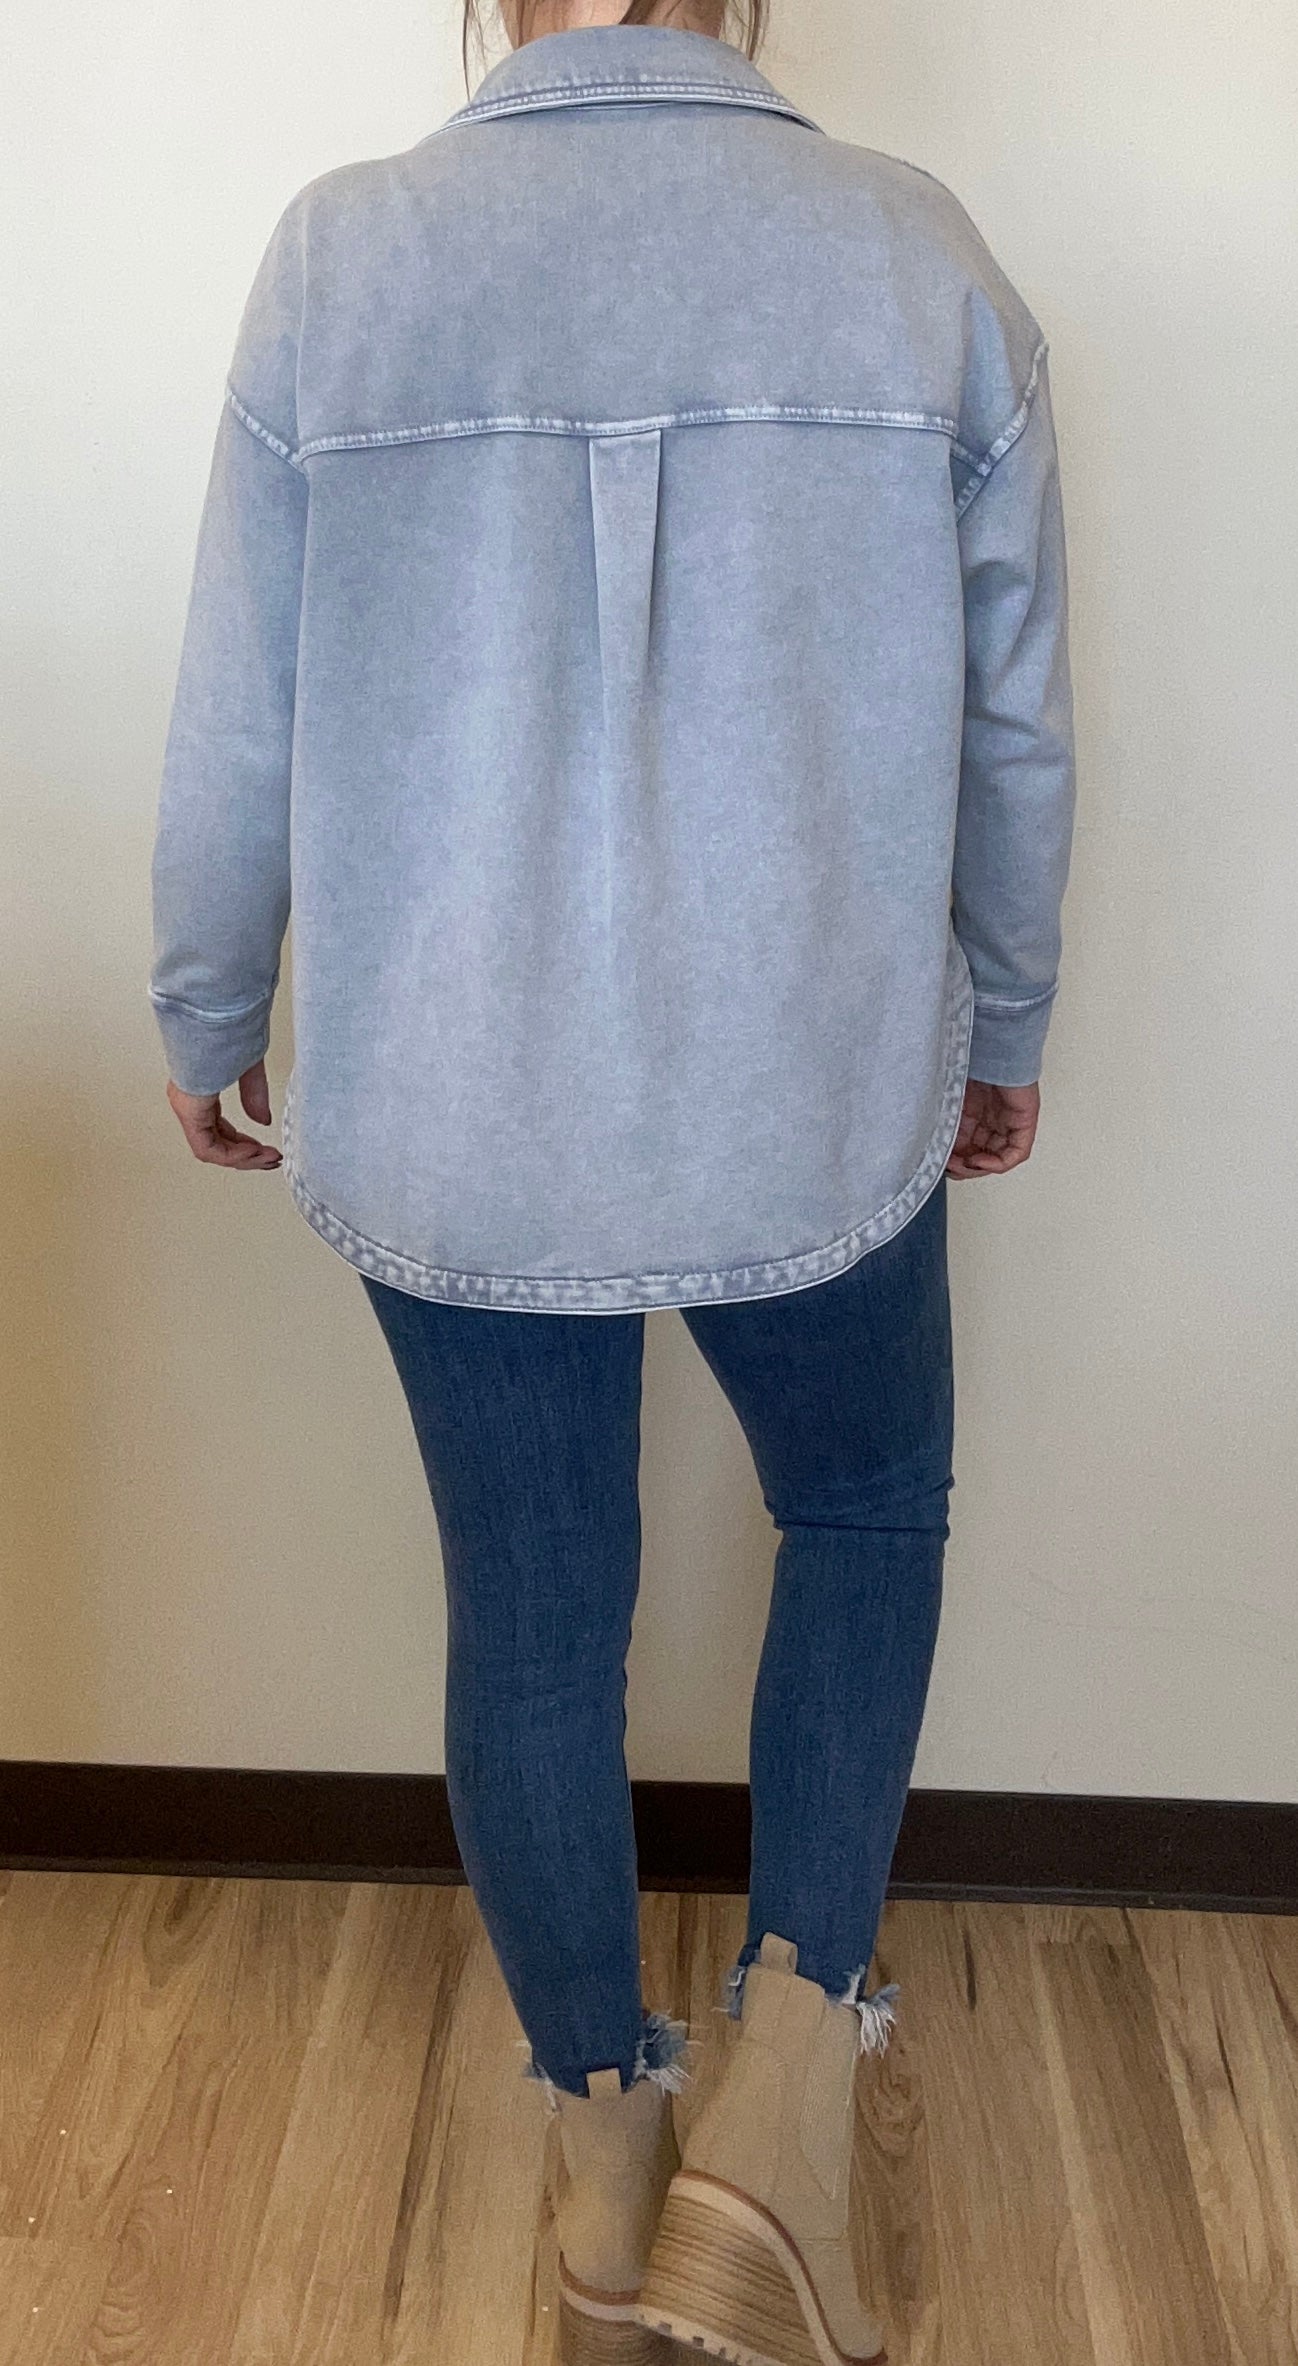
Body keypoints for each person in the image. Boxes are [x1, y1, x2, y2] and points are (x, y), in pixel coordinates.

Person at [147, 3, 1076, 2359]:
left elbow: (239, 696)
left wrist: (205, 993)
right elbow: (1013, 717)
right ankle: (783, 2113)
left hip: (451, 1083)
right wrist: (1005, 1009)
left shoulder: (344, 259)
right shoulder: (913, 255)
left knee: (534, 1602)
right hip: (809, 1069)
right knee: (861, 1502)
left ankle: (602, 2154)